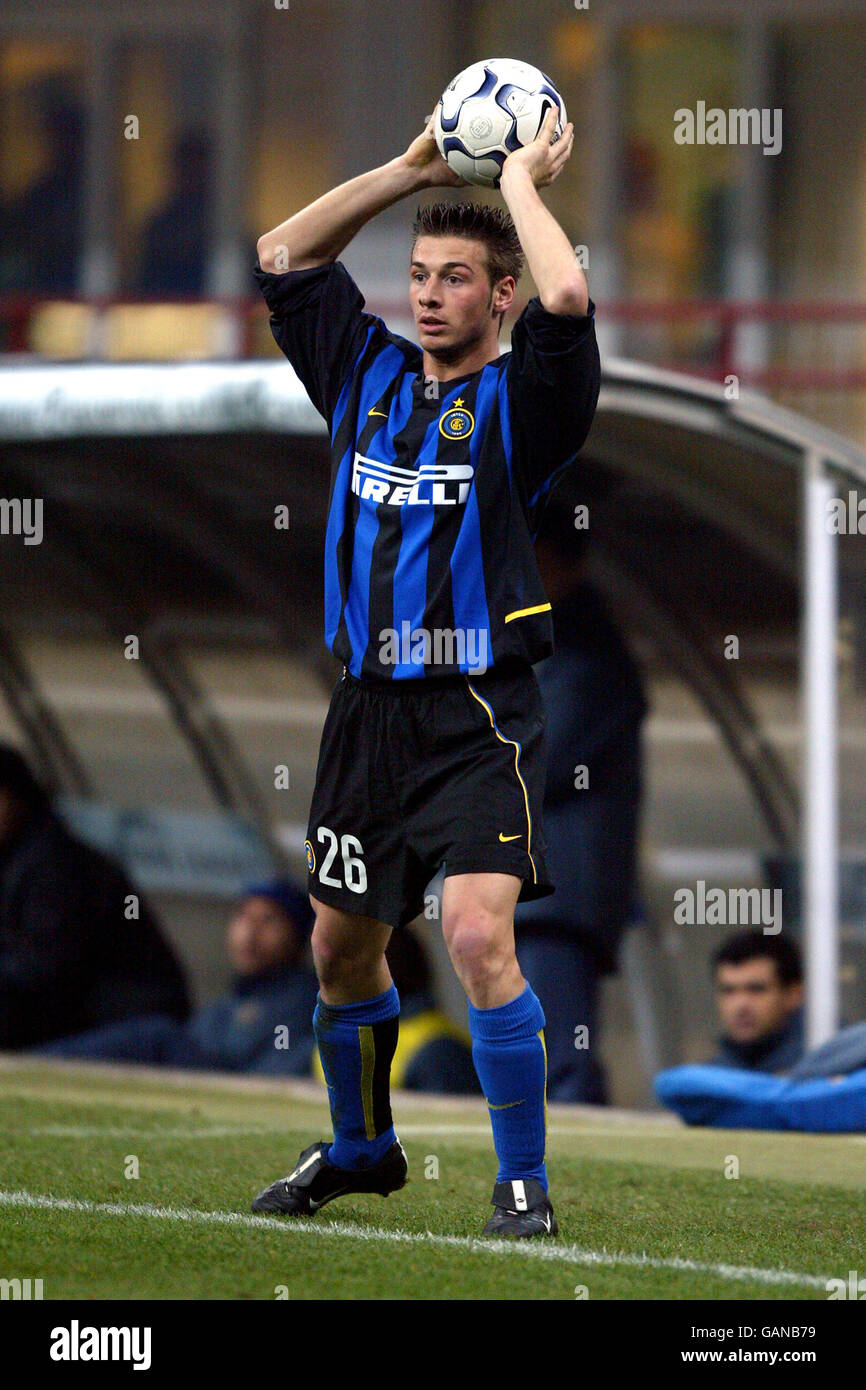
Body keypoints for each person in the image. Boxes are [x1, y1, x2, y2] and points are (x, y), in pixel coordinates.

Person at [249, 103, 600, 1238]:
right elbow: (282, 254)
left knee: (475, 933)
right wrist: (405, 170)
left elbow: (566, 302)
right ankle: (361, 1150)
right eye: (417, 273)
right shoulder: (362, 371)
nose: (428, 292)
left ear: (492, 295)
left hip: (477, 709)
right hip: (364, 712)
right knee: (337, 946)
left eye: (456, 276)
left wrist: (521, 197)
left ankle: (520, 1188)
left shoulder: (522, 405)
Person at [514, 513, 647, 1102]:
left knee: (556, 1049)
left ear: (565, 564)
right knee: (536, 1043)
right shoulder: (555, 642)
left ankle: (565, 1164)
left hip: (560, 894)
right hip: (542, 893)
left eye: (532, 558)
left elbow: (540, 760)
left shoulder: (587, 655)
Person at [0, 743, 189, 1049]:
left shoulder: (56, 864)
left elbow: (44, 968)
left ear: (18, 799)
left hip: (125, 1021)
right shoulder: (21, 858)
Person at [35, 881, 318, 1075]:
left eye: (269, 920)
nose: (250, 933)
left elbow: (286, 1066)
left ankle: (34, 1065)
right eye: (243, 917)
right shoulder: (233, 999)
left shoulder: (304, 998)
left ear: (297, 937)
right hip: (200, 1076)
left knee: (158, 1035)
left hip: (230, 1084)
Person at [708, 929, 804, 1073]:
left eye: (756, 989)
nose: (740, 1005)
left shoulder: (821, 1071)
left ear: (793, 994)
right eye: (728, 991)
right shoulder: (711, 1080)